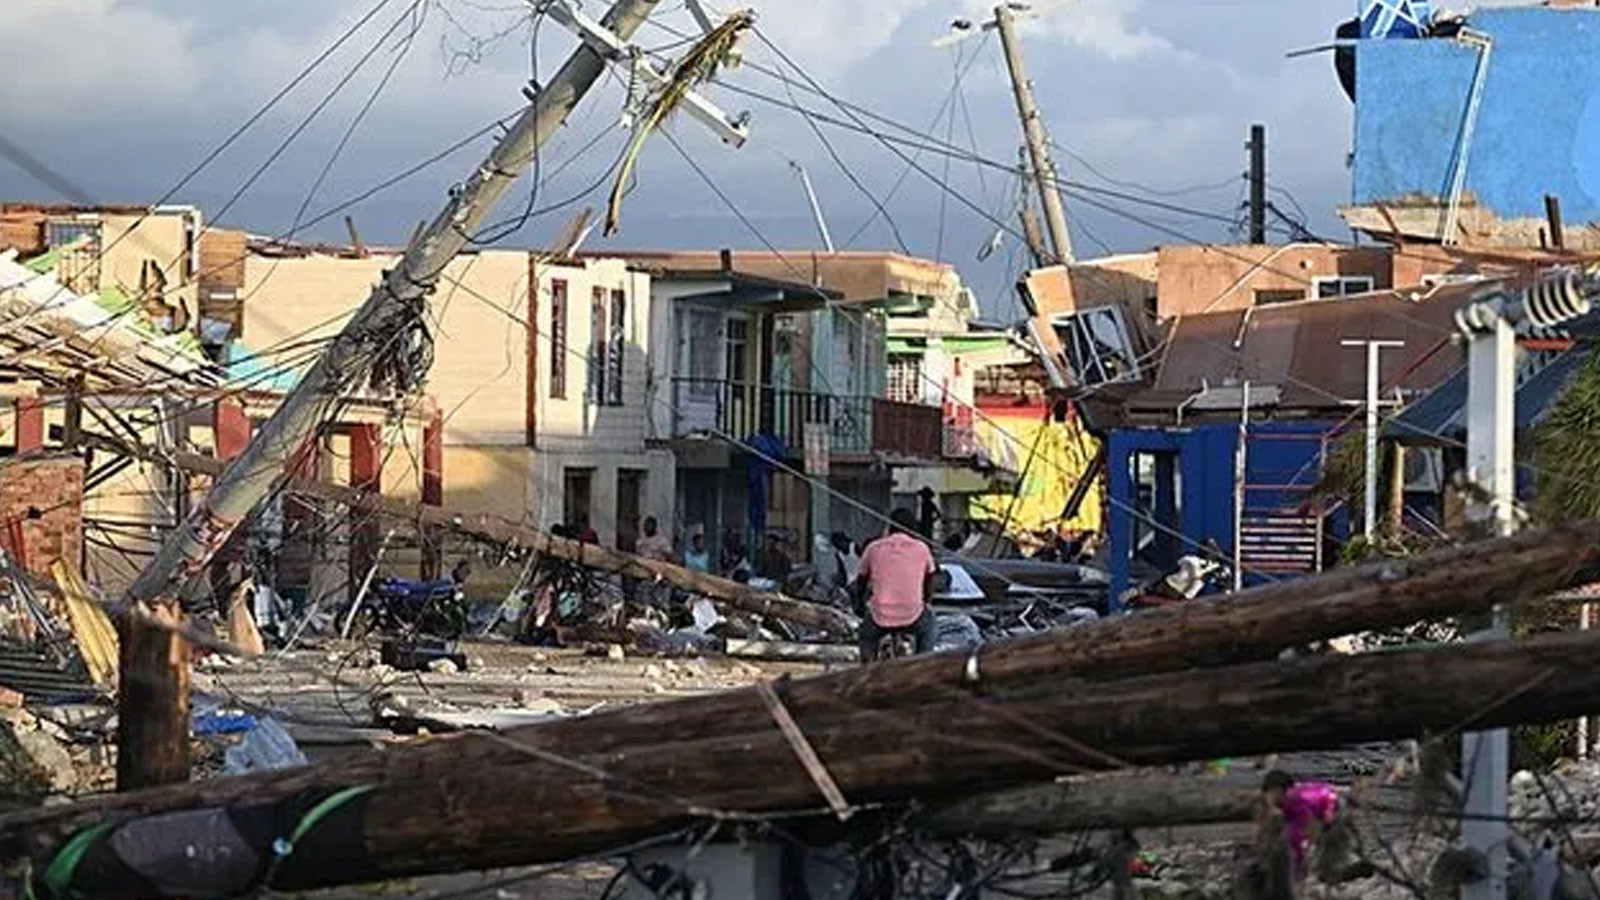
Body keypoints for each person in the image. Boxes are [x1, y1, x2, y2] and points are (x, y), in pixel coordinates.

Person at [852, 508, 938, 660]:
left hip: (880, 615)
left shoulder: (874, 547)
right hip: (913, 614)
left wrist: (859, 604)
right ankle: (923, 665)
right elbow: (930, 578)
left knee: (866, 636)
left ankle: (867, 668)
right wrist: (927, 602)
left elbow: (861, 580)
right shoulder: (922, 548)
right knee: (929, 628)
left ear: (889, 526)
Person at [1261, 770, 1340, 885]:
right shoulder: (1288, 800)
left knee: (1307, 844)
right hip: (1324, 798)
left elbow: (1300, 837)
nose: (1268, 797)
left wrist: (1295, 873)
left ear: (1279, 791)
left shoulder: (1296, 802)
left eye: (1270, 793)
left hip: (1331, 806)